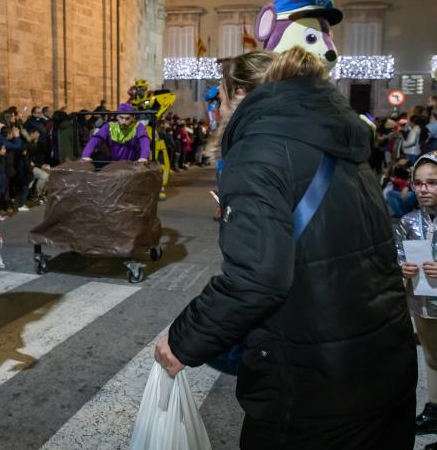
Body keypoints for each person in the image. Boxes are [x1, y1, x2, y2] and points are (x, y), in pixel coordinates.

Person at [155, 47, 416, 449]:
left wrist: (183, 339)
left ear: (240, 93)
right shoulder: (336, 139)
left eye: (219, 95)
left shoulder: (261, 149)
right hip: (381, 359)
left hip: (314, 383)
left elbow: (257, 279)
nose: (217, 107)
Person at [398, 151, 437, 450]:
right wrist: (401, 267)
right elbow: (398, 253)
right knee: (433, 360)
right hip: (421, 300)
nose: (424, 189)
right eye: (418, 183)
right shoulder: (409, 221)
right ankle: (436, 410)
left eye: (434, 182)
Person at [81, 103, 150, 162]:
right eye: (121, 117)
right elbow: (97, 138)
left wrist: (143, 157)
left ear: (133, 117)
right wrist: (86, 155)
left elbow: (144, 139)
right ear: (117, 116)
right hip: (114, 165)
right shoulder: (109, 126)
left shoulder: (138, 126)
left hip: (133, 165)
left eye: (127, 118)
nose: (123, 121)